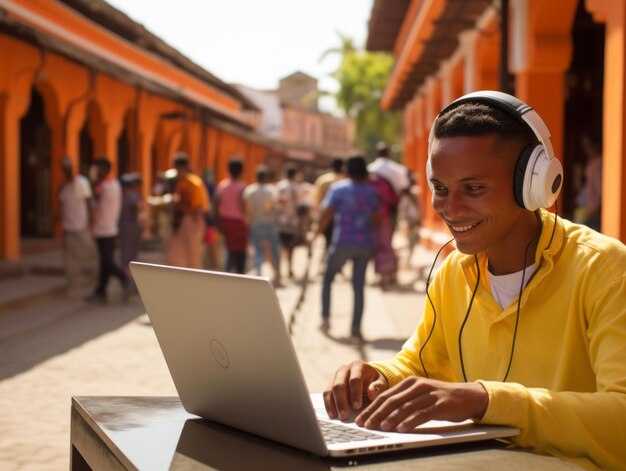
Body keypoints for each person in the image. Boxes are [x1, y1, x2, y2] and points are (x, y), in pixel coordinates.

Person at [323, 91, 626, 471]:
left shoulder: (606, 269)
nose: (450, 208)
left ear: (533, 183)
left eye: (474, 188)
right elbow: (421, 365)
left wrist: (485, 400)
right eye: (440, 188)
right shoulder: (453, 273)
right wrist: (376, 378)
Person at [311, 155, 380, 343]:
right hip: (364, 243)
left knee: (327, 279)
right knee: (358, 287)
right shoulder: (371, 193)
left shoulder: (338, 189)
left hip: (342, 241)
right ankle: (356, 330)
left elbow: (326, 215)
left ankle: (325, 319)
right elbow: (377, 220)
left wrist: (315, 235)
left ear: (347, 170)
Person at [85, 157, 131, 303]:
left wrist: (92, 183)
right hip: (111, 227)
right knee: (105, 262)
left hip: (103, 229)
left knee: (107, 260)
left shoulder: (102, 187)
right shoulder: (116, 184)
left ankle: (125, 279)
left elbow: (93, 202)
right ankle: (100, 290)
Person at [166, 152, 210, 269]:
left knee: (193, 253)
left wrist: (197, 225)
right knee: (178, 252)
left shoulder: (194, 183)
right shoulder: (181, 181)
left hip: (192, 220)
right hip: (182, 220)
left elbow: (199, 205)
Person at [58, 156, 95, 292]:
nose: (66, 169)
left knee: (89, 255)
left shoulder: (81, 182)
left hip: (81, 227)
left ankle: (92, 281)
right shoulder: (64, 186)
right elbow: (61, 205)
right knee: (70, 259)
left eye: (68, 166)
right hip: (68, 228)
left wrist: (90, 223)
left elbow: (89, 202)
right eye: (64, 167)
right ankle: (73, 284)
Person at [243, 164, 281, 286]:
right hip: (270, 224)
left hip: (255, 223)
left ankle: (258, 275)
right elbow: (274, 207)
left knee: (258, 250)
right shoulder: (272, 190)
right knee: (274, 250)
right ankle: (277, 275)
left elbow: (247, 209)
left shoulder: (249, 190)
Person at [215, 157, 248, 274]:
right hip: (238, 223)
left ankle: (227, 272)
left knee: (229, 249)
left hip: (225, 222)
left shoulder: (222, 186)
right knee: (239, 253)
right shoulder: (242, 187)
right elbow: (243, 206)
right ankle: (238, 275)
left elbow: (217, 205)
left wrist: (219, 224)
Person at [276, 166, 309, 279]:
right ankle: (288, 268)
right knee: (290, 247)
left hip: (281, 222)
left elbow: (276, 203)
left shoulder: (280, 186)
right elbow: (304, 205)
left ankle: (279, 270)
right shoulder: (299, 188)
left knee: (281, 246)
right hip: (293, 222)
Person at [312, 158, 345, 250]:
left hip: (325, 216)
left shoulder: (323, 180)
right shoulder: (346, 181)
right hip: (343, 219)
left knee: (328, 241)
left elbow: (316, 200)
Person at [118, 172, 144, 279]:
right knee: (129, 254)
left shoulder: (129, 197)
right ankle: (128, 278)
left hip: (128, 227)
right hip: (129, 227)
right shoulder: (133, 196)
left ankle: (128, 278)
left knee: (128, 254)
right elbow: (137, 210)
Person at [575, 134, 602, 231]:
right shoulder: (594, 162)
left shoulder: (597, 163)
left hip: (592, 211)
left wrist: (596, 209)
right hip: (588, 208)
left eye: (588, 146)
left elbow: (600, 187)